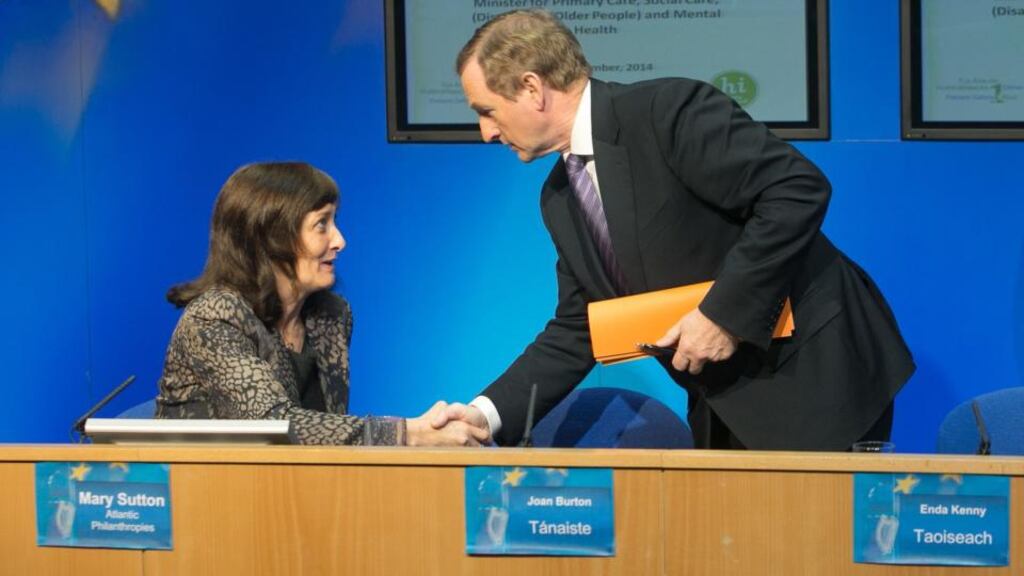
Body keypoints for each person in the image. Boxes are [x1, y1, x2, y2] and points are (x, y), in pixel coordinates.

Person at [435, 10, 915, 450]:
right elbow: (582, 324)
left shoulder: (665, 111)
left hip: (818, 378)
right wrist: (483, 415)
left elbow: (795, 190)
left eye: (487, 110)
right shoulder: (559, 196)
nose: (486, 132)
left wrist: (723, 316)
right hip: (726, 400)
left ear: (532, 87)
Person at [156, 162, 489, 446]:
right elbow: (275, 427)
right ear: (273, 237)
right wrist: (409, 434)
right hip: (208, 501)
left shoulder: (331, 316)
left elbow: (328, 437)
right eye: (321, 225)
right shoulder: (214, 318)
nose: (340, 241)